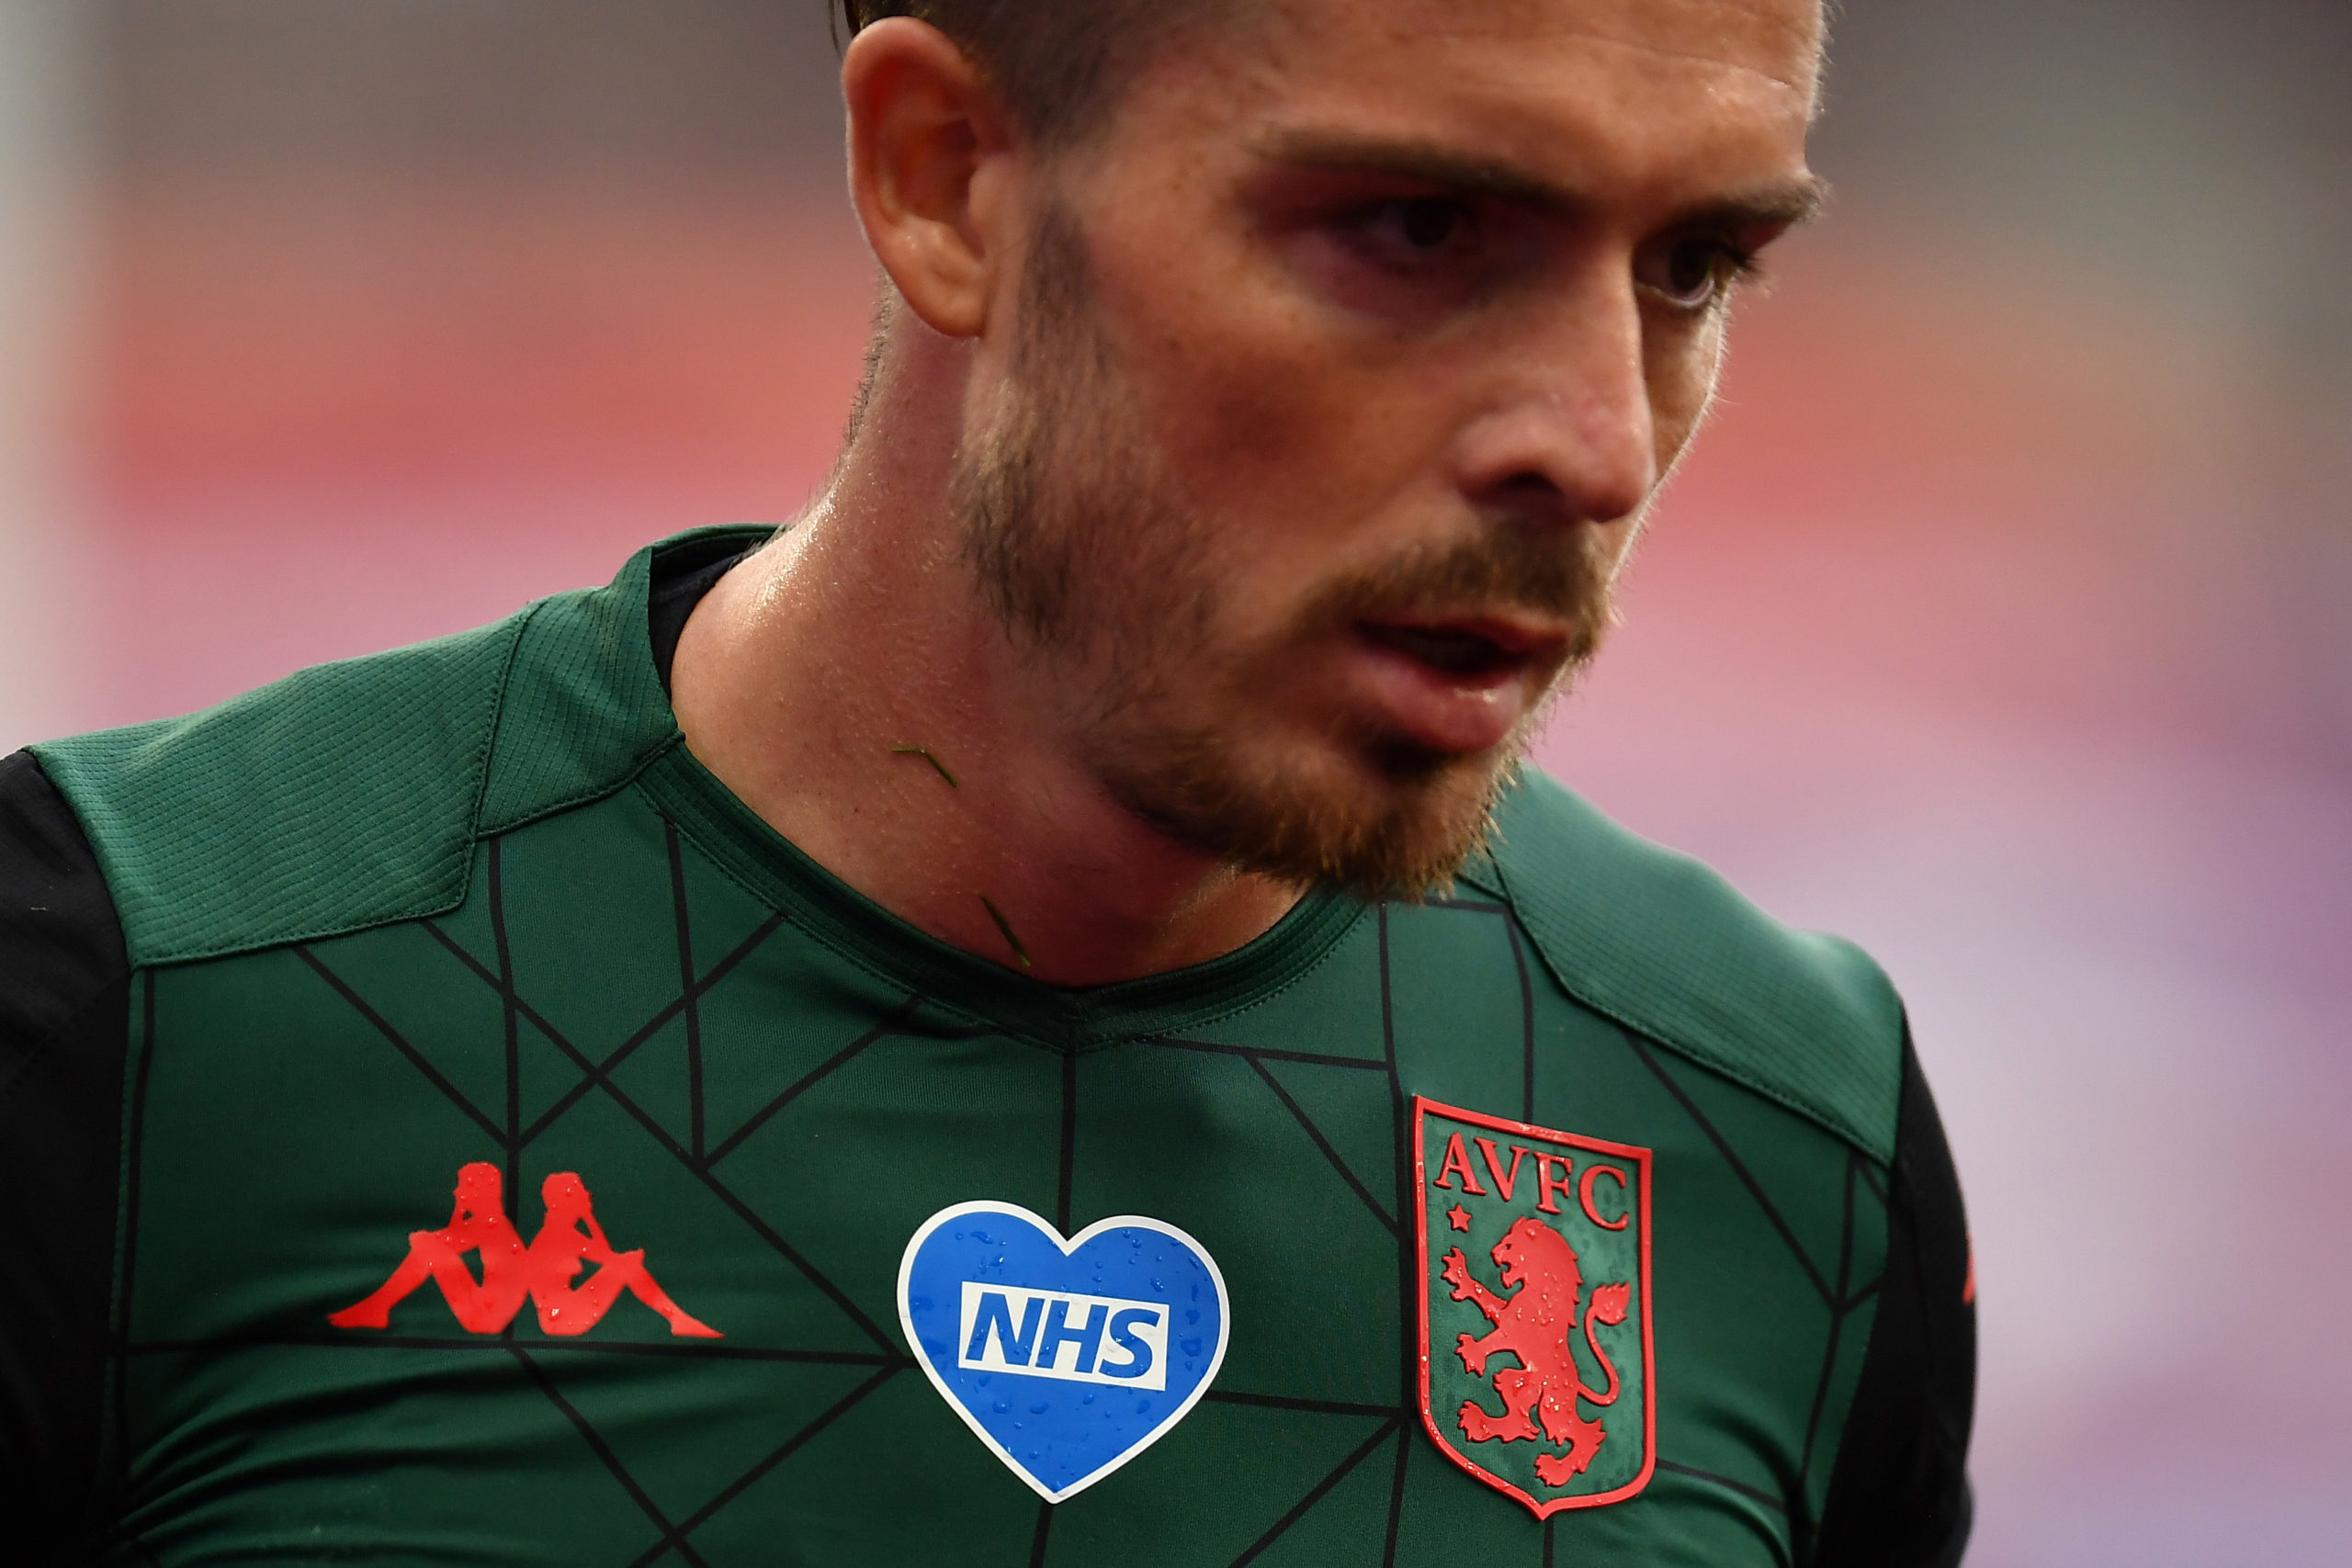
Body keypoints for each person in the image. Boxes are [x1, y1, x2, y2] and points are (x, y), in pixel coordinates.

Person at [0, 0, 1975, 1562]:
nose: (1596, 442)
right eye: (1415, 230)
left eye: (1694, 265)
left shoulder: (1786, 1138)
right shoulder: (139, 995)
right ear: (943, 178)